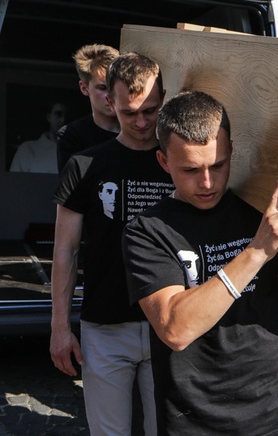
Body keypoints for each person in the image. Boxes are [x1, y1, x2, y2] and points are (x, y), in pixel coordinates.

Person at [121, 90, 278, 435]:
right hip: (198, 423)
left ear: (232, 150)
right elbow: (175, 329)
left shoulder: (257, 212)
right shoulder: (147, 231)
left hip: (276, 414)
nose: (207, 182)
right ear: (164, 162)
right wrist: (257, 251)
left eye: (218, 165)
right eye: (190, 169)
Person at [50, 52, 170, 436]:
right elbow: (65, 250)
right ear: (109, 101)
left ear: (163, 97)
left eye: (150, 110)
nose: (140, 122)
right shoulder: (84, 165)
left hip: (167, 322)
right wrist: (59, 328)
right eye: (129, 111)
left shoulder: (181, 162)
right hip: (104, 324)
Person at [57, 44, 120, 173]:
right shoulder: (72, 136)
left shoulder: (140, 128)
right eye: (103, 88)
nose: (111, 96)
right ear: (84, 88)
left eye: (116, 87)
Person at [10, 101, 68, 173]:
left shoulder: (76, 151)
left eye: (66, 116)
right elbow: (14, 182)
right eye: (58, 114)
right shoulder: (27, 149)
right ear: (49, 117)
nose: (63, 120)